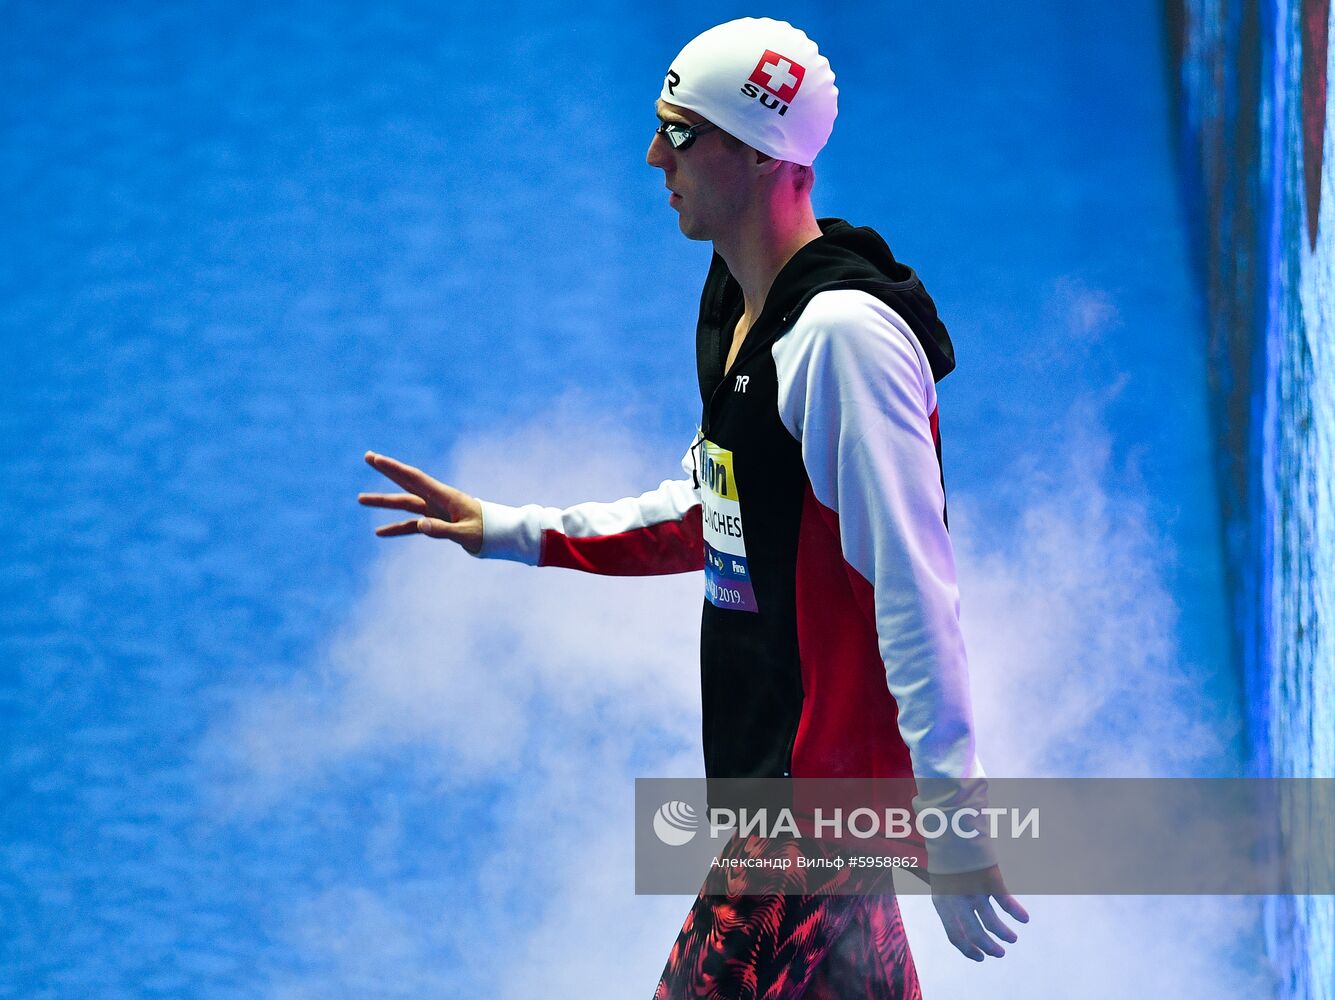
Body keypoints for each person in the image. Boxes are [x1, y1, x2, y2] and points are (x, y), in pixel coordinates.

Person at [359, 17, 1028, 998]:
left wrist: (958, 821)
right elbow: (714, 515)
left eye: (679, 131)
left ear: (755, 152)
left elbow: (916, 592)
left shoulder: (842, 340)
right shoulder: (737, 302)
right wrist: (508, 528)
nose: (653, 155)